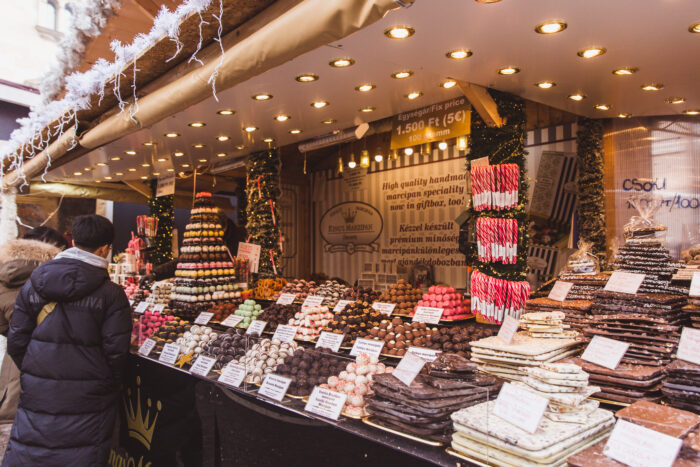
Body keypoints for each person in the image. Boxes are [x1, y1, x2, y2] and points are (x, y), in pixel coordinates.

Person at [3, 215, 132, 466]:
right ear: (105, 248)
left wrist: (35, 372)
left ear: (74, 241)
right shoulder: (112, 294)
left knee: (34, 449)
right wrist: (105, 384)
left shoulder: (34, 284)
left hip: (39, 388)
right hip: (90, 395)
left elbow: (16, 341)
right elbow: (116, 353)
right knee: (80, 454)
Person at [0, 227, 67, 426]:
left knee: (13, 433)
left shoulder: (5, 274)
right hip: (56, 365)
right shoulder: (58, 277)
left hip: (14, 366)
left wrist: (17, 332)